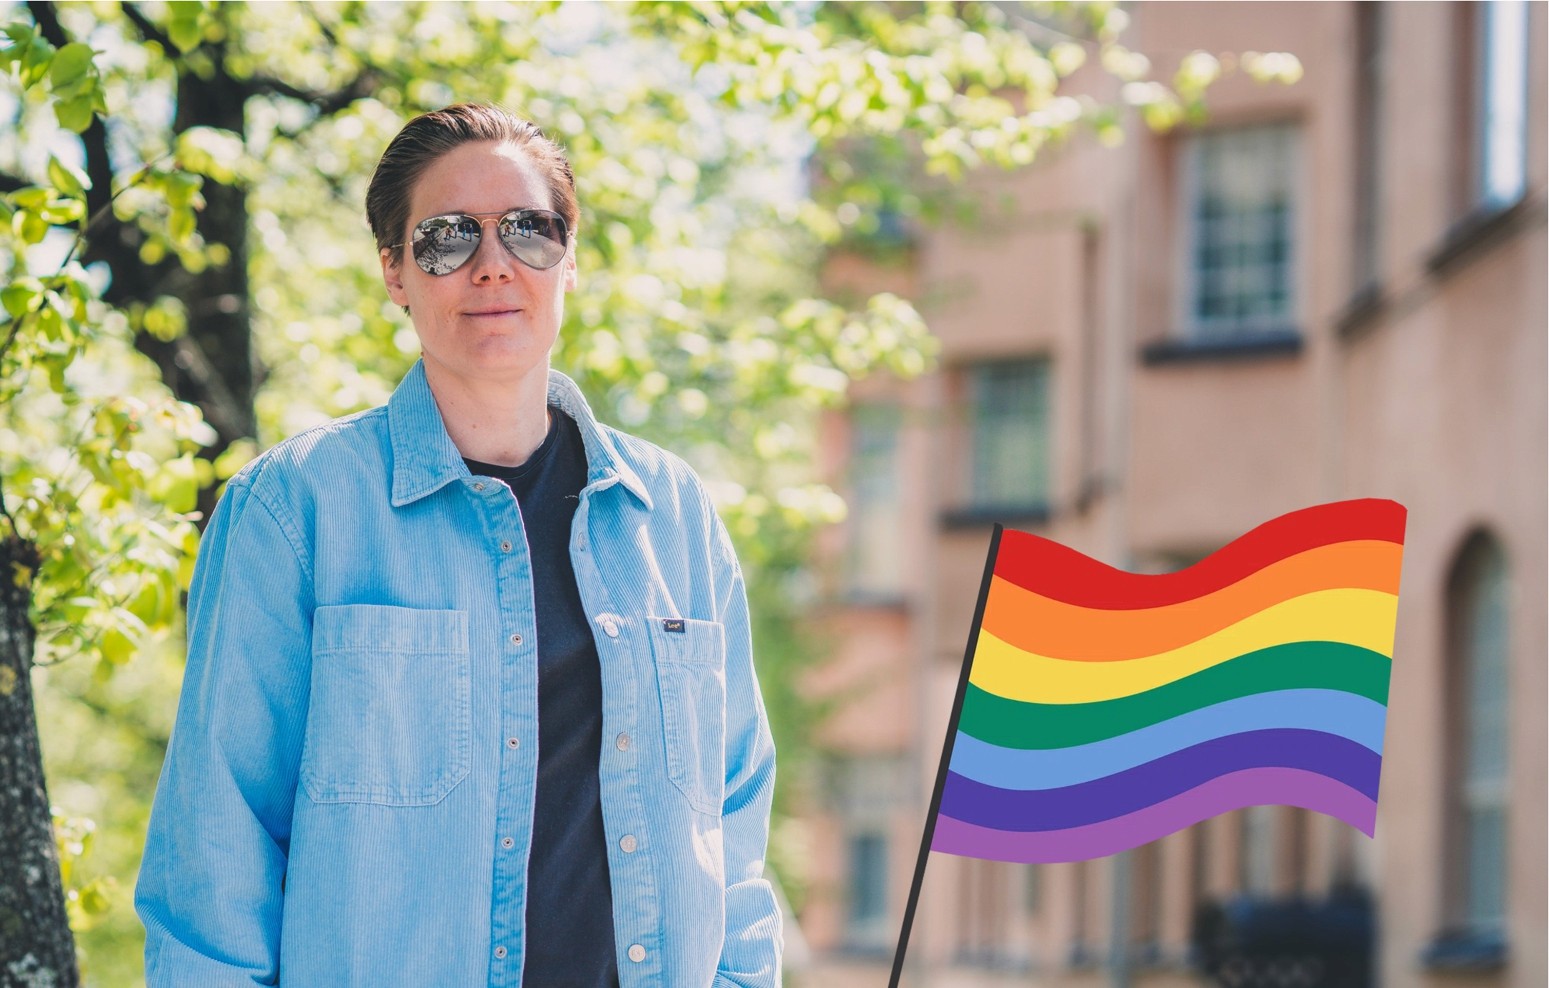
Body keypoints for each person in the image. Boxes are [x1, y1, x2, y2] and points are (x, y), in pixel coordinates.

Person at [135, 103, 782, 987]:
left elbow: (733, 819)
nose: (491, 266)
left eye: (528, 230)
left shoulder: (671, 516)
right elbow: (214, 856)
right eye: (445, 238)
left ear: (568, 259)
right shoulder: (295, 509)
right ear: (395, 272)